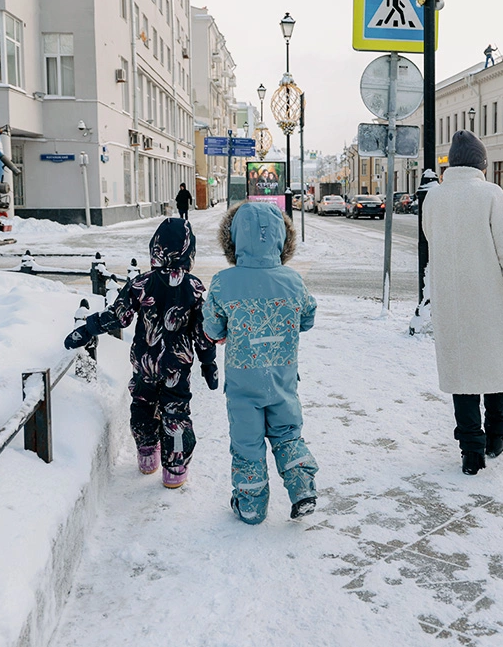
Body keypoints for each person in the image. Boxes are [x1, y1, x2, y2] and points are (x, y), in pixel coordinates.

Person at [63, 218, 217, 487]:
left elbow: (118, 316)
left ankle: (147, 455)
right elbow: (201, 331)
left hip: (145, 363)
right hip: (176, 369)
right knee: (175, 413)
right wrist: (208, 362)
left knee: (143, 406)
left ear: (155, 250)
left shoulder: (141, 283)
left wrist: (88, 328)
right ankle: (175, 468)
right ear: (188, 252)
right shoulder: (193, 287)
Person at [422, 130, 503, 476]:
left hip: (451, 304)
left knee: (463, 375)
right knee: (495, 370)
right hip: (492, 303)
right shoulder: (491, 195)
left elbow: (435, 243)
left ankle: (471, 450)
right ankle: (496, 437)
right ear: (481, 163)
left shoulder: (434, 199)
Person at [203, 202, 320, 524]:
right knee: (287, 433)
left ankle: (251, 506)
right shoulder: (292, 280)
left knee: (247, 444)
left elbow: (212, 327)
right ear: (283, 240)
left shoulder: (223, 282)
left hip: (242, 383)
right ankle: (302, 488)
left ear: (233, 240)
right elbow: (307, 318)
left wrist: (225, 331)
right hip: (282, 375)